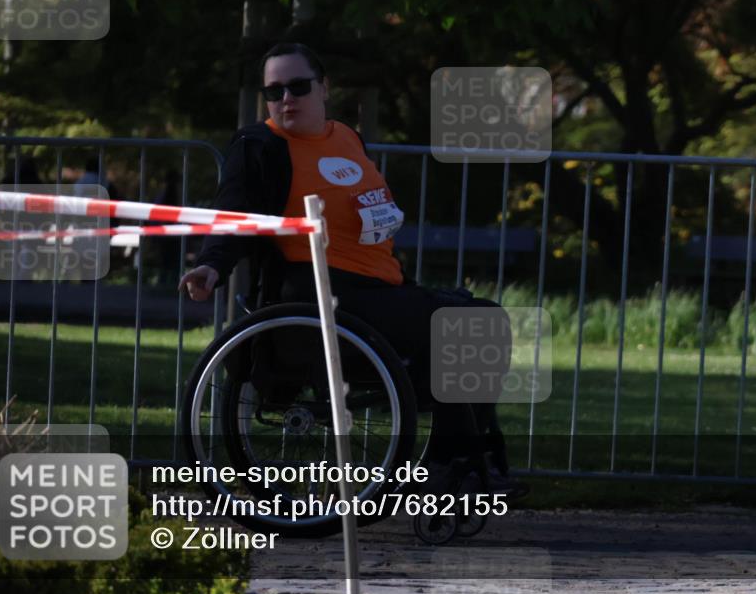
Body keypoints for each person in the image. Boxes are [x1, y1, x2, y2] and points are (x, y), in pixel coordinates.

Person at [179, 42, 525, 495]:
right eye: (274, 91)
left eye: (298, 87)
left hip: (381, 288)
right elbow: (235, 213)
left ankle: (469, 459)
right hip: (319, 296)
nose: (286, 99)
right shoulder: (260, 146)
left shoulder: (347, 138)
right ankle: (454, 463)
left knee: (485, 317)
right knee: (460, 326)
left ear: (325, 88)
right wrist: (210, 266)